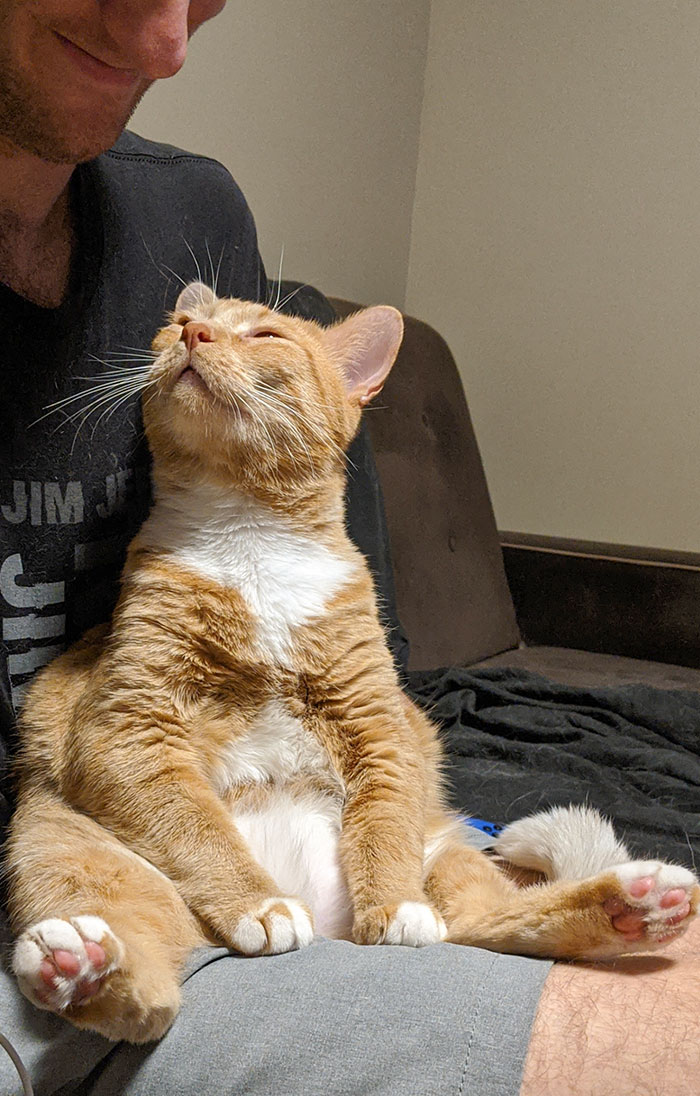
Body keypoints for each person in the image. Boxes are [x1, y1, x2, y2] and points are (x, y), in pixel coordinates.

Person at [0, 3, 697, 1094]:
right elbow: (117, 752)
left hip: (321, 843)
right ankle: (121, 980)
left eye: (205, 2)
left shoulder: (190, 208)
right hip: (142, 869)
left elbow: (382, 728)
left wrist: (394, 876)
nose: (166, 43)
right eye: (184, 329)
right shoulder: (164, 568)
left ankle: (521, 916)